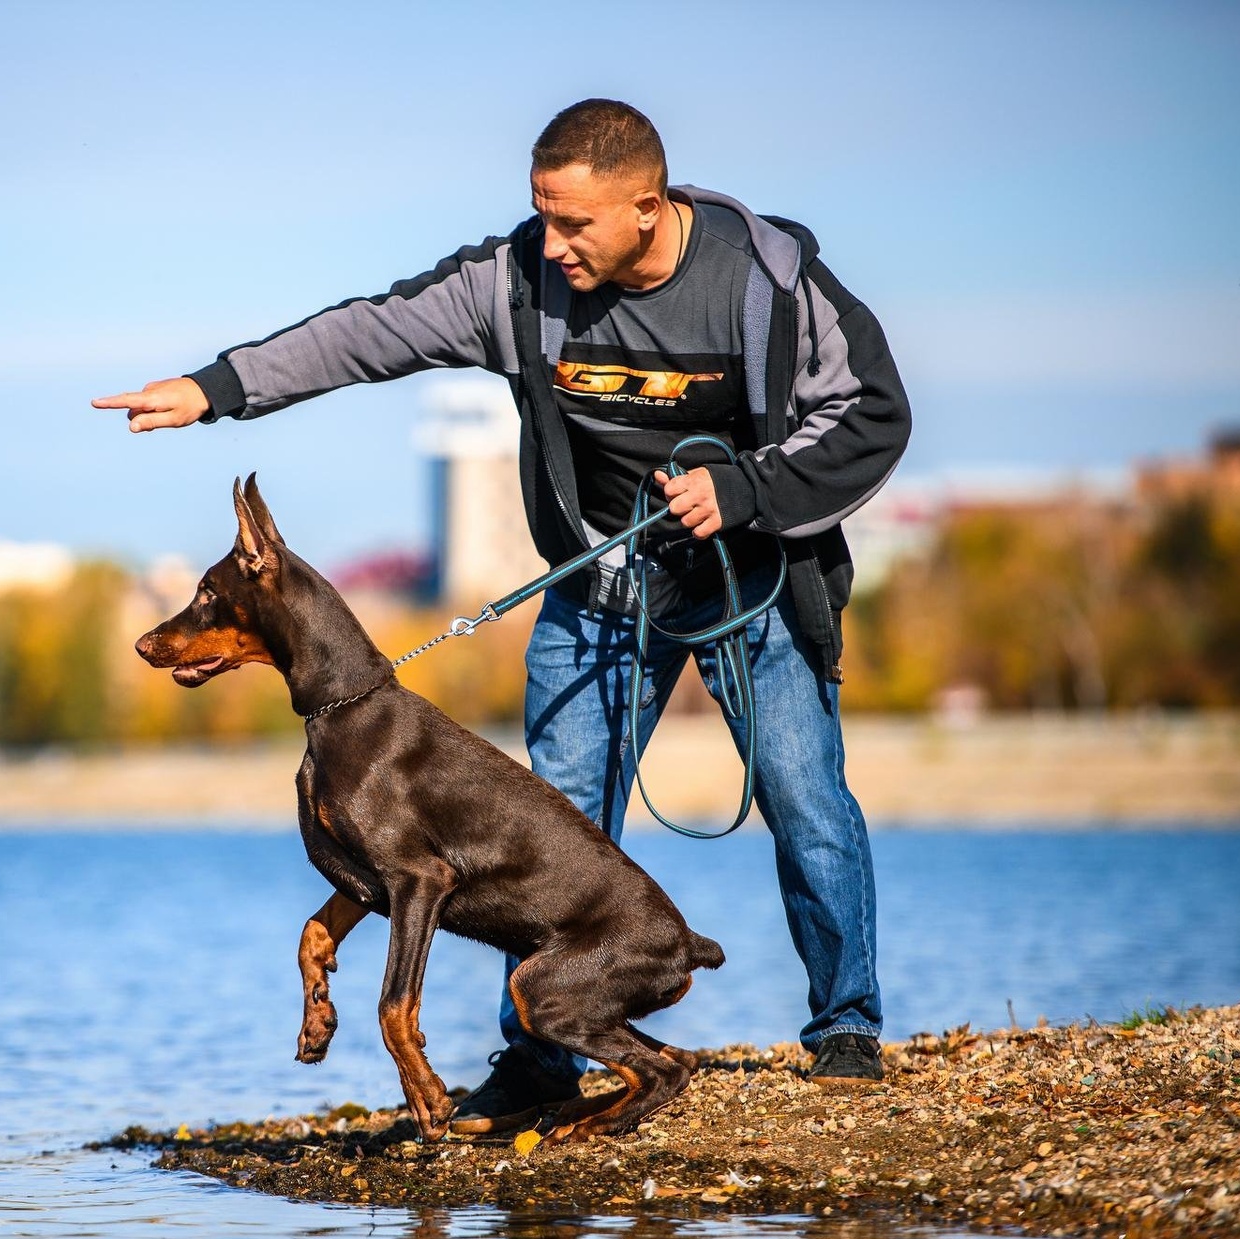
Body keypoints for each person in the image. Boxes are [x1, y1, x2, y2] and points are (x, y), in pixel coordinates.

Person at [94, 98, 910, 1130]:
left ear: (648, 208)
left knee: (805, 799)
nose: (552, 244)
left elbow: (874, 412)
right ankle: (537, 1059)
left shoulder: (766, 283)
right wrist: (220, 389)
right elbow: (370, 333)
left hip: (751, 582)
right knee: (545, 830)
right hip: (600, 594)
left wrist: (747, 490)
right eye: (540, 216)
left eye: (575, 224)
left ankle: (846, 1029)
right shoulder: (517, 283)